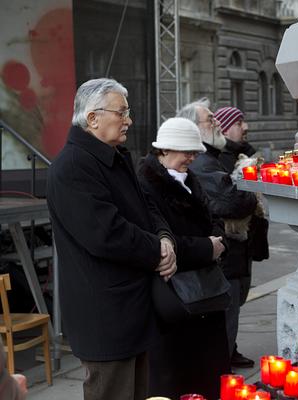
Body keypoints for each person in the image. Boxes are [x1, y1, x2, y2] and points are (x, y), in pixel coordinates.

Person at [47, 78, 177, 400]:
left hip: (131, 310)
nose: (129, 120)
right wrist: (158, 250)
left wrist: (164, 238)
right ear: (93, 118)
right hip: (106, 316)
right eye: (122, 113)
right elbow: (107, 234)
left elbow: (147, 206)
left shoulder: (114, 156)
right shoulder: (73, 166)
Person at [137, 117, 231, 399]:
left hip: (205, 297)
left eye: (194, 152)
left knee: (208, 376)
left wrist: (217, 242)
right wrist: (208, 248)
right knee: (177, 379)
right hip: (175, 302)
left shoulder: (189, 180)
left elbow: (214, 220)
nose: (192, 157)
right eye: (186, 151)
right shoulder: (147, 185)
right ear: (164, 150)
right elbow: (160, 241)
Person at [177, 99, 258, 368]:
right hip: (222, 256)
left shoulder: (209, 158)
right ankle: (222, 373)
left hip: (229, 254)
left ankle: (224, 359)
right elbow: (232, 203)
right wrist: (251, 191)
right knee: (224, 321)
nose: (217, 125)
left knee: (228, 318)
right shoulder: (202, 163)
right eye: (211, 121)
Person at [213, 106, 257, 174]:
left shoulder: (244, 151)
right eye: (239, 124)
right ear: (224, 131)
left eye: (244, 122)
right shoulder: (220, 158)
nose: (246, 127)